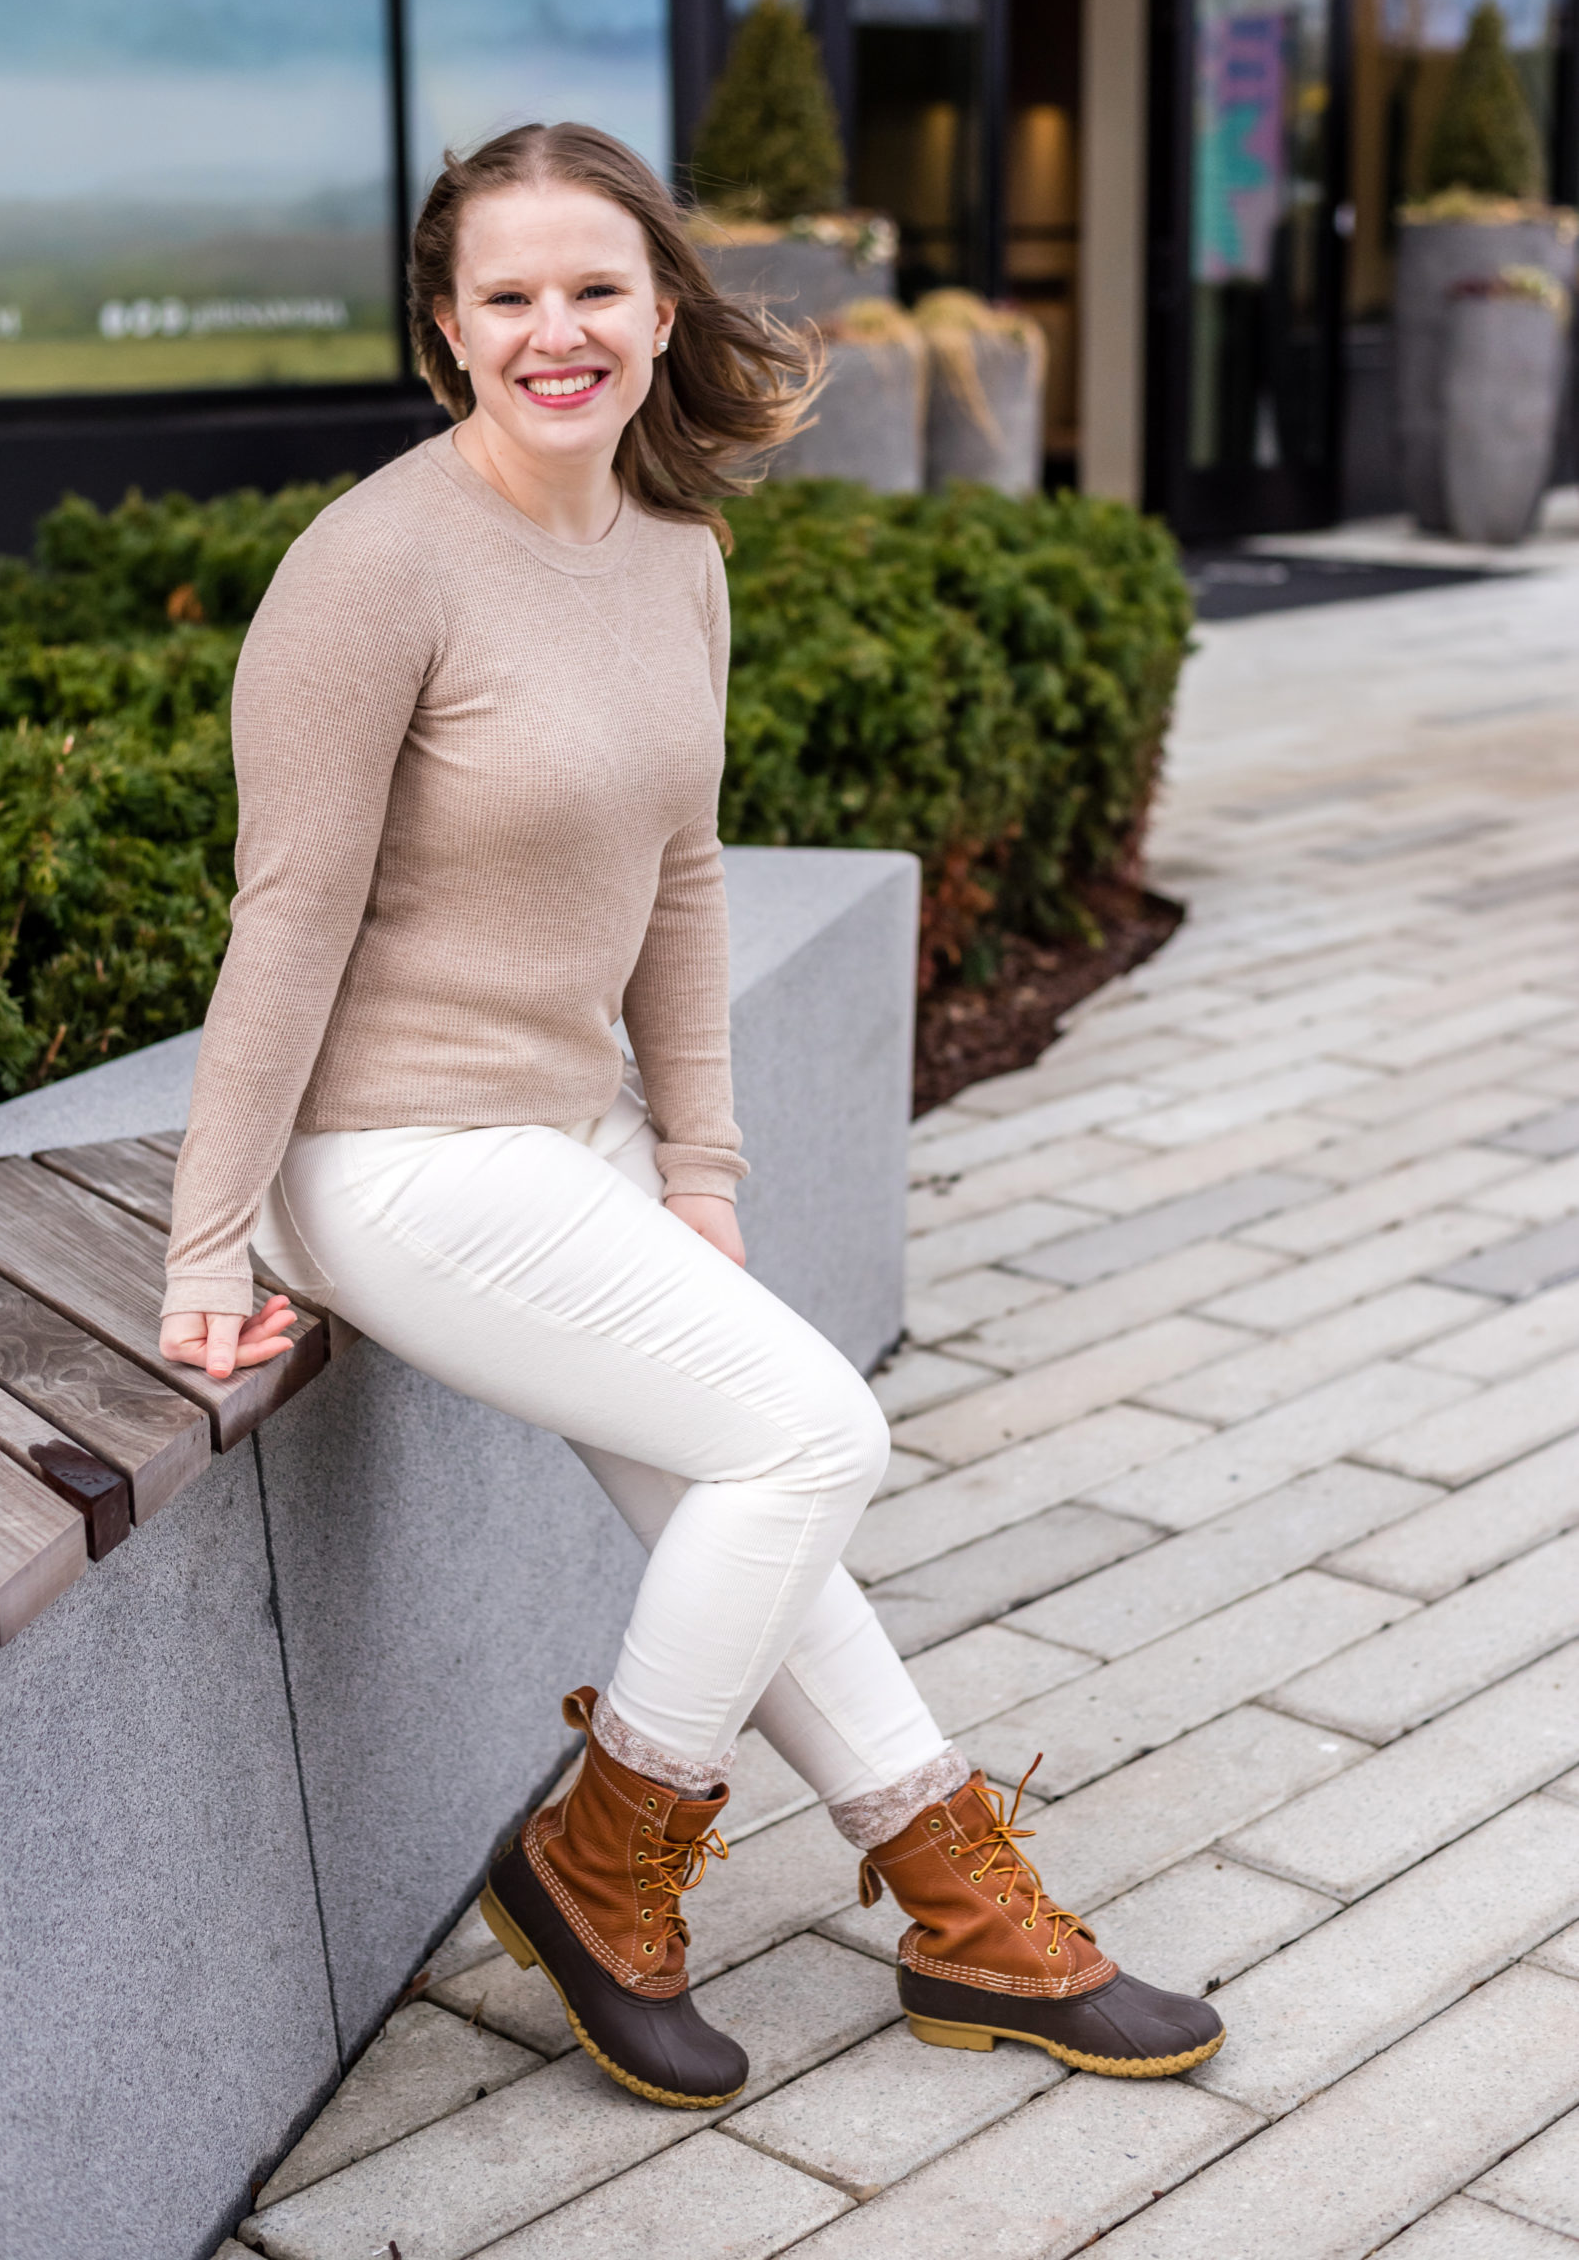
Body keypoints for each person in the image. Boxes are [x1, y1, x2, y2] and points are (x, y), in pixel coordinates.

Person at [158, 121, 1222, 2110]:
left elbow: (686, 875)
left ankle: (963, 1910)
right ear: (445, 328)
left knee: (752, 1495)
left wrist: (702, 1165)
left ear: (661, 307)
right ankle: (601, 1854)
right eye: (506, 296)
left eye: (594, 288)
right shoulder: (368, 566)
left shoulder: (673, 552)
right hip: (380, 1151)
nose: (554, 330)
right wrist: (211, 1243)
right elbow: (286, 920)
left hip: (564, 1139)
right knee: (818, 1427)